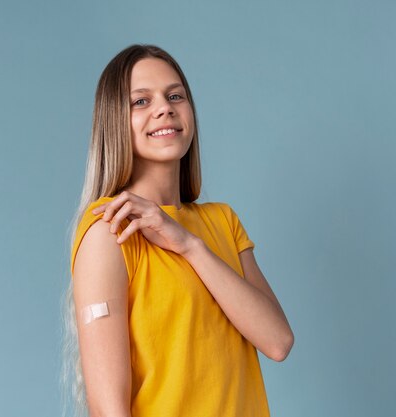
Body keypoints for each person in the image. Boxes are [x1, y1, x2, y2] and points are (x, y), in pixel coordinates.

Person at [66, 44, 294, 417]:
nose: (164, 108)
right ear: (114, 121)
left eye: (175, 96)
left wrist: (189, 245)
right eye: (140, 101)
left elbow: (278, 341)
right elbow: (109, 410)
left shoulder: (222, 221)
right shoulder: (110, 229)